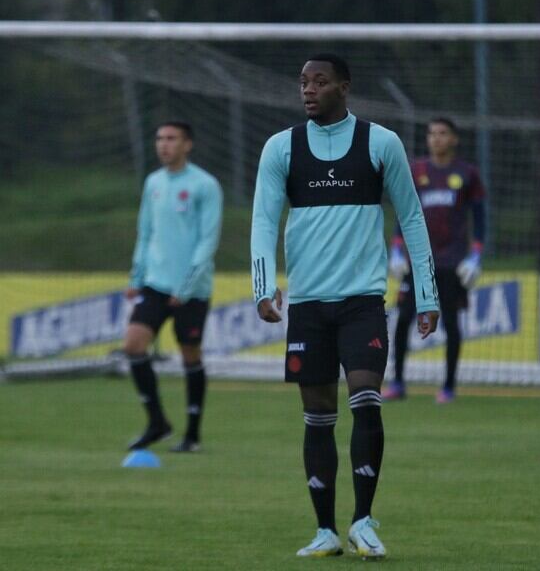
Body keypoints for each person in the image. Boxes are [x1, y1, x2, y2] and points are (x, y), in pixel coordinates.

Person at [250, 53, 439, 560]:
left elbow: (412, 218)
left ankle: (363, 521)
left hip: (362, 302)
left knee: (366, 399)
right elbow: (264, 221)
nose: (308, 90)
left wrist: (427, 293)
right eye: (303, 82)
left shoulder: (381, 142)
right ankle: (324, 531)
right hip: (308, 306)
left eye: (320, 81)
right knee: (317, 416)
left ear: (344, 87)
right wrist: (263, 287)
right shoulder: (281, 148)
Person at [123, 121, 223, 453]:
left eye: (171, 138)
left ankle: (192, 435)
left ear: (187, 144)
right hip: (155, 284)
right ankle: (157, 422)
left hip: (191, 290)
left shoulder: (205, 185)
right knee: (133, 344)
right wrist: (136, 279)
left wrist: (188, 285)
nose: (163, 144)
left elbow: (208, 240)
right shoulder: (153, 182)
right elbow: (145, 232)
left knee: (190, 354)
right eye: (159, 138)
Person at [383, 117, 486, 404]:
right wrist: (396, 249)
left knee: (451, 322)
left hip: (452, 262)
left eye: (442, 133)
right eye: (431, 134)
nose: (436, 138)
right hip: (417, 261)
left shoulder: (467, 174)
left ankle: (449, 386)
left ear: (454, 139)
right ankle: (398, 382)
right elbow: (403, 213)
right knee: (404, 319)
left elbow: (480, 219)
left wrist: (476, 255)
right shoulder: (415, 171)